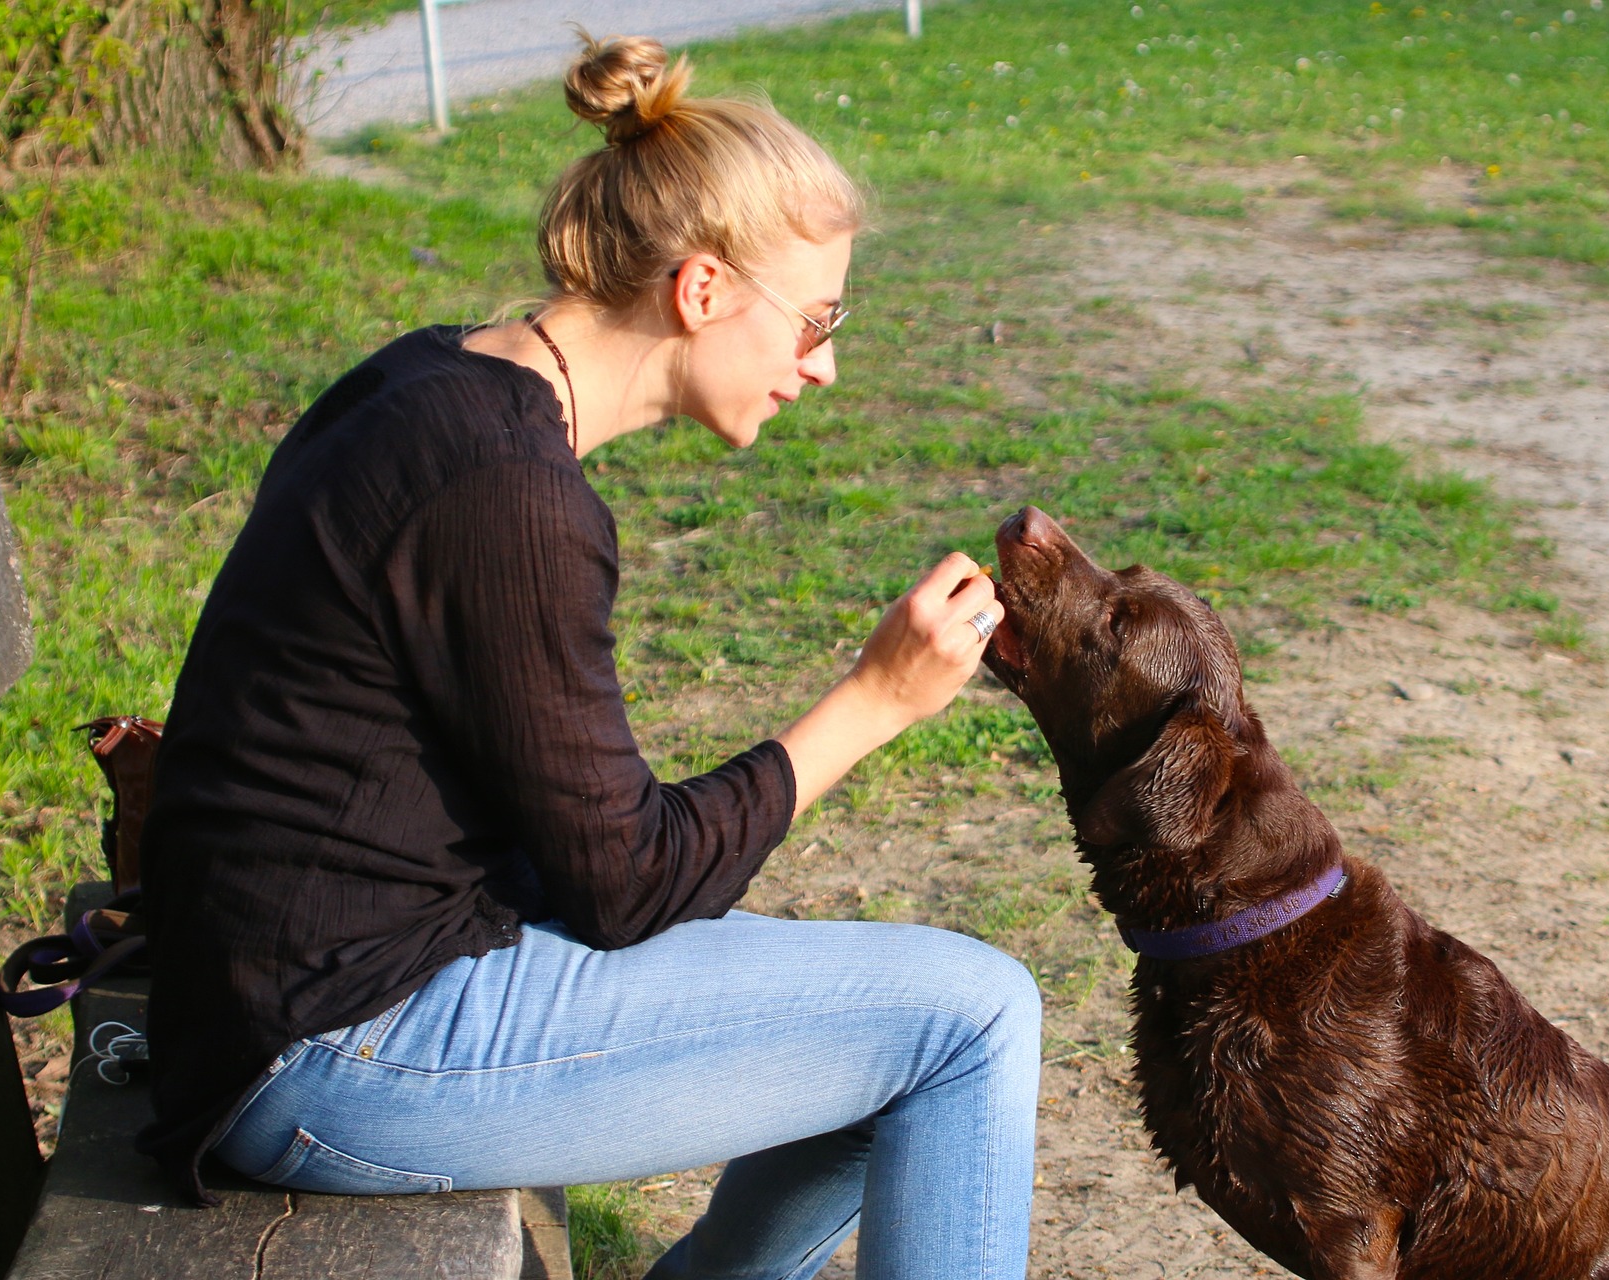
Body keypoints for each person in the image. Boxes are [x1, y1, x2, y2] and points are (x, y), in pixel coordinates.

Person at [133, 30, 1040, 1280]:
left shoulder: (439, 380)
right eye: (816, 320)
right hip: (331, 1048)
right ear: (703, 289)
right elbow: (622, 884)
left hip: (296, 993)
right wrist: (876, 700)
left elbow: (581, 848)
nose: (823, 365)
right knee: (976, 1017)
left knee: (889, 1007)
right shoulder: (513, 494)